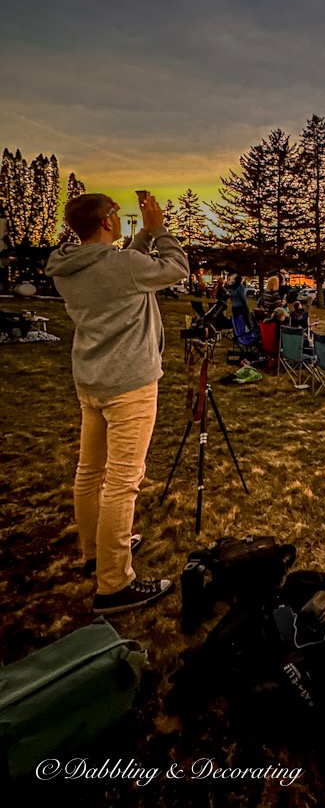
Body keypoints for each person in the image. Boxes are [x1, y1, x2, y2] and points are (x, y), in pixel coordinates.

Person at [45, 192, 188, 614]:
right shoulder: (122, 266)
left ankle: (95, 551)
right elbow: (175, 268)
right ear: (107, 221)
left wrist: (141, 235)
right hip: (129, 385)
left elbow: (120, 267)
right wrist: (158, 229)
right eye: (117, 215)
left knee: (89, 473)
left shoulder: (69, 265)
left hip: (91, 380)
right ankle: (114, 583)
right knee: (122, 483)